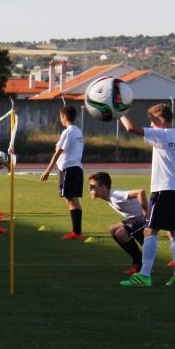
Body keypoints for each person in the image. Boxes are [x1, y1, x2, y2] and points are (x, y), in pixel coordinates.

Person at [118, 104, 175, 287]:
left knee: (149, 230)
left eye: (152, 121)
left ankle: (144, 275)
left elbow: (130, 128)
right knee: (174, 232)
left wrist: (119, 112)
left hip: (163, 190)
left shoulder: (162, 134)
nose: (150, 126)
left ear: (161, 120)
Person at [87, 171, 149, 276]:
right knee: (113, 229)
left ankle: (139, 263)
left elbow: (140, 192)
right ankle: (139, 261)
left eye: (92, 187)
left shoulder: (115, 196)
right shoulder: (109, 197)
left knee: (121, 233)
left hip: (146, 216)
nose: (90, 190)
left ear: (103, 188)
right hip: (136, 217)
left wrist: (146, 213)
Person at [40, 105, 85, 240]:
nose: (60, 120)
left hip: (69, 169)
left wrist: (47, 171)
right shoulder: (78, 131)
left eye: (60, 117)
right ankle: (77, 231)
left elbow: (57, 153)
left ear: (65, 117)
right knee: (73, 199)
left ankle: (76, 232)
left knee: (70, 199)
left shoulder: (68, 132)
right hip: (77, 168)